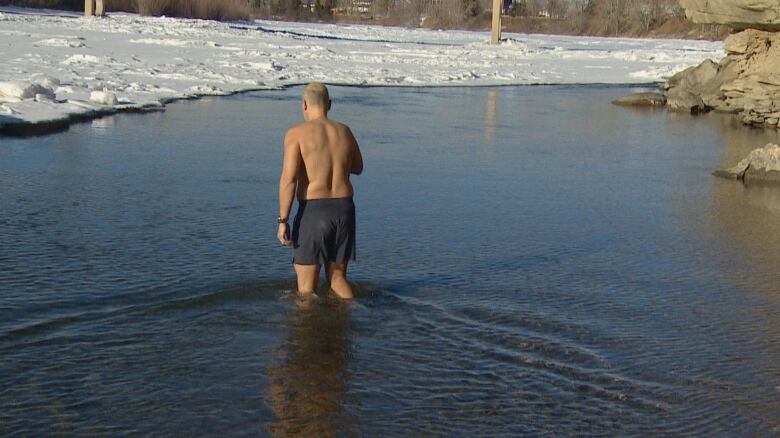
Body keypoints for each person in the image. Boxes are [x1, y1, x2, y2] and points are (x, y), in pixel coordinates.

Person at [277, 83, 363, 299]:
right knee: (338, 278)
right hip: (344, 208)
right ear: (329, 105)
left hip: (314, 211)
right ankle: (352, 317)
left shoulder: (296, 133)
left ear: (304, 104)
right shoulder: (345, 131)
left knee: (306, 290)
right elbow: (358, 168)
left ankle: (306, 330)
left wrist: (283, 220)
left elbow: (289, 179)